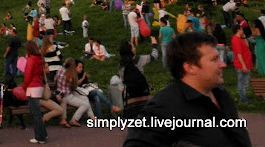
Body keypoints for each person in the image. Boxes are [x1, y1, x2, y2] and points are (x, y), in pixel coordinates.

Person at [123, 32, 252, 147]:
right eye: (214, 59)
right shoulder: (164, 107)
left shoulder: (221, 94)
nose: (223, 64)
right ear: (190, 67)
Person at [54, 58, 95, 126]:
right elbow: (75, 86)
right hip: (67, 96)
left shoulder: (60, 70)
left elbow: (55, 79)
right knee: (85, 105)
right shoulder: (70, 75)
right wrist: (83, 78)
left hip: (60, 93)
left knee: (85, 98)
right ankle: (74, 119)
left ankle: (92, 118)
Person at [21, 41, 48, 144]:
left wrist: (24, 87)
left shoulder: (30, 60)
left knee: (35, 115)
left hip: (32, 88)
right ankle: (43, 134)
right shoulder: (39, 59)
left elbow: (28, 76)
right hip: (39, 86)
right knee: (38, 114)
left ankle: (40, 137)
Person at [230, 24, 252, 103]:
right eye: (241, 29)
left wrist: (245, 38)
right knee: (242, 83)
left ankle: (244, 97)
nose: (243, 30)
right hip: (242, 65)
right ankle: (243, 100)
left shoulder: (239, 39)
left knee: (245, 83)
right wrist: (243, 66)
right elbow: (239, 54)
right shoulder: (236, 40)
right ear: (238, 30)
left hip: (246, 64)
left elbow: (247, 47)